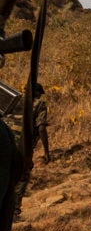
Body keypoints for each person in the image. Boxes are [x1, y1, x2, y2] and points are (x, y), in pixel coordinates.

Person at [10, 83, 49, 221]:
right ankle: (13, 213)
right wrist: (46, 152)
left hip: (5, 144)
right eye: (39, 93)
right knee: (21, 178)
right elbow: (42, 128)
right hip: (22, 148)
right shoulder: (39, 104)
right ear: (37, 93)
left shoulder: (13, 99)